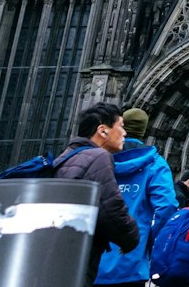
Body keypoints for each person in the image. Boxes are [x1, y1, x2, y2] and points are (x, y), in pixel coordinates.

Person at [55, 103, 143, 284]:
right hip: (81, 256)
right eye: (121, 126)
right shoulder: (98, 156)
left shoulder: (65, 156)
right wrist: (130, 239)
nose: (125, 133)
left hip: (60, 253)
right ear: (103, 131)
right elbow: (110, 208)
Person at [98, 107, 179, 287]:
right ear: (144, 130)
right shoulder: (154, 163)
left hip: (93, 261)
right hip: (132, 262)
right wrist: (148, 240)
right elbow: (166, 207)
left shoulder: (99, 159)